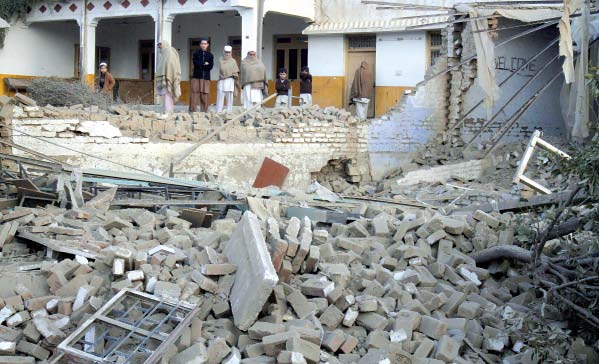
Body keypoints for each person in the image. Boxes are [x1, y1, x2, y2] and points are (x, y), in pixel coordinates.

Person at [155, 41, 181, 114]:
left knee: (168, 96)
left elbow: (171, 66)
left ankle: (168, 112)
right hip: (164, 81)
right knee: (164, 96)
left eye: (160, 45)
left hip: (169, 79)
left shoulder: (169, 53)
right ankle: (166, 111)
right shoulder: (164, 54)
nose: (159, 47)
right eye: (158, 45)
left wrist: (169, 76)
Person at [190, 38, 214, 112]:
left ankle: (204, 112)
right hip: (196, 77)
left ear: (207, 45)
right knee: (194, 94)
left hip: (206, 77)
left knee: (205, 94)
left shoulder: (210, 55)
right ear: (200, 45)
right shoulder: (196, 53)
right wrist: (204, 63)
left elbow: (210, 66)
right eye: (202, 44)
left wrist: (202, 64)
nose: (204, 45)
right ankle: (192, 111)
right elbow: (196, 63)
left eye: (205, 44)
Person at [216, 45, 239, 113]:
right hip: (222, 80)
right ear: (223, 52)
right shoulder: (220, 60)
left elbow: (236, 71)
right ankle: (219, 111)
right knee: (220, 96)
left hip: (230, 80)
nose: (227, 53)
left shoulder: (233, 61)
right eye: (226, 52)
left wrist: (234, 75)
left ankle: (229, 112)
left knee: (229, 97)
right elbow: (222, 69)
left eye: (229, 52)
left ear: (231, 52)